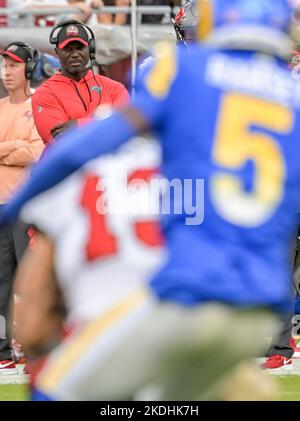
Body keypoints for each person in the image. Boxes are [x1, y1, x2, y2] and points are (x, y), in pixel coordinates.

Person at [1, 0, 299, 399]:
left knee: (58, 388)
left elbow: (78, 148)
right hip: (262, 303)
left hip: (192, 292)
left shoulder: (186, 70)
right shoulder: (292, 94)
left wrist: (15, 209)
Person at [0, 41, 44, 374]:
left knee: (30, 280)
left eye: (13, 65)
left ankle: (31, 347)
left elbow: (35, 153)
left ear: (28, 68)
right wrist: (17, 147)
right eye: (5, 65)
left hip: (25, 206)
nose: (6, 71)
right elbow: (24, 150)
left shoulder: (38, 104)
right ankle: (3, 350)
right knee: (0, 282)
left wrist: (5, 149)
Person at [31, 19, 129, 144]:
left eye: (80, 48)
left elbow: (125, 127)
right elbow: (62, 142)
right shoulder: (44, 93)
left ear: (90, 50)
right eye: (68, 49)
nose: (75, 54)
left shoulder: (114, 88)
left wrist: (78, 124)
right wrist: (104, 123)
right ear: (57, 52)